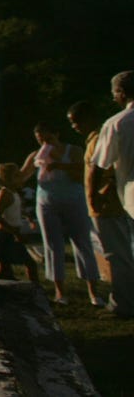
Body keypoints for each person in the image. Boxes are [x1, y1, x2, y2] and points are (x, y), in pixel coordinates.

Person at [18, 121, 102, 305]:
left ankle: (94, 292)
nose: (45, 144)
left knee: (82, 242)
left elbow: (83, 170)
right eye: (41, 141)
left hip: (73, 200)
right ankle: (60, 292)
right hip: (47, 203)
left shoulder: (73, 150)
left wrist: (58, 165)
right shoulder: (36, 155)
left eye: (48, 138)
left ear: (57, 134)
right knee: (52, 245)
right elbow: (22, 176)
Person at [90, 71, 134, 318]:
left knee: (123, 255)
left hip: (131, 195)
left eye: (114, 93)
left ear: (122, 93)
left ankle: (125, 304)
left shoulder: (117, 122)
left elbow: (100, 164)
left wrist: (95, 195)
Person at [0, 163, 39, 282]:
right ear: (7, 179)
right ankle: (35, 290)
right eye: (16, 176)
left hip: (11, 234)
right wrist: (14, 233)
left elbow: (15, 209)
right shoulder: (4, 193)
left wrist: (29, 218)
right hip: (4, 236)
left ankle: (34, 290)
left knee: (5, 269)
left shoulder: (13, 193)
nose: (20, 178)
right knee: (27, 264)